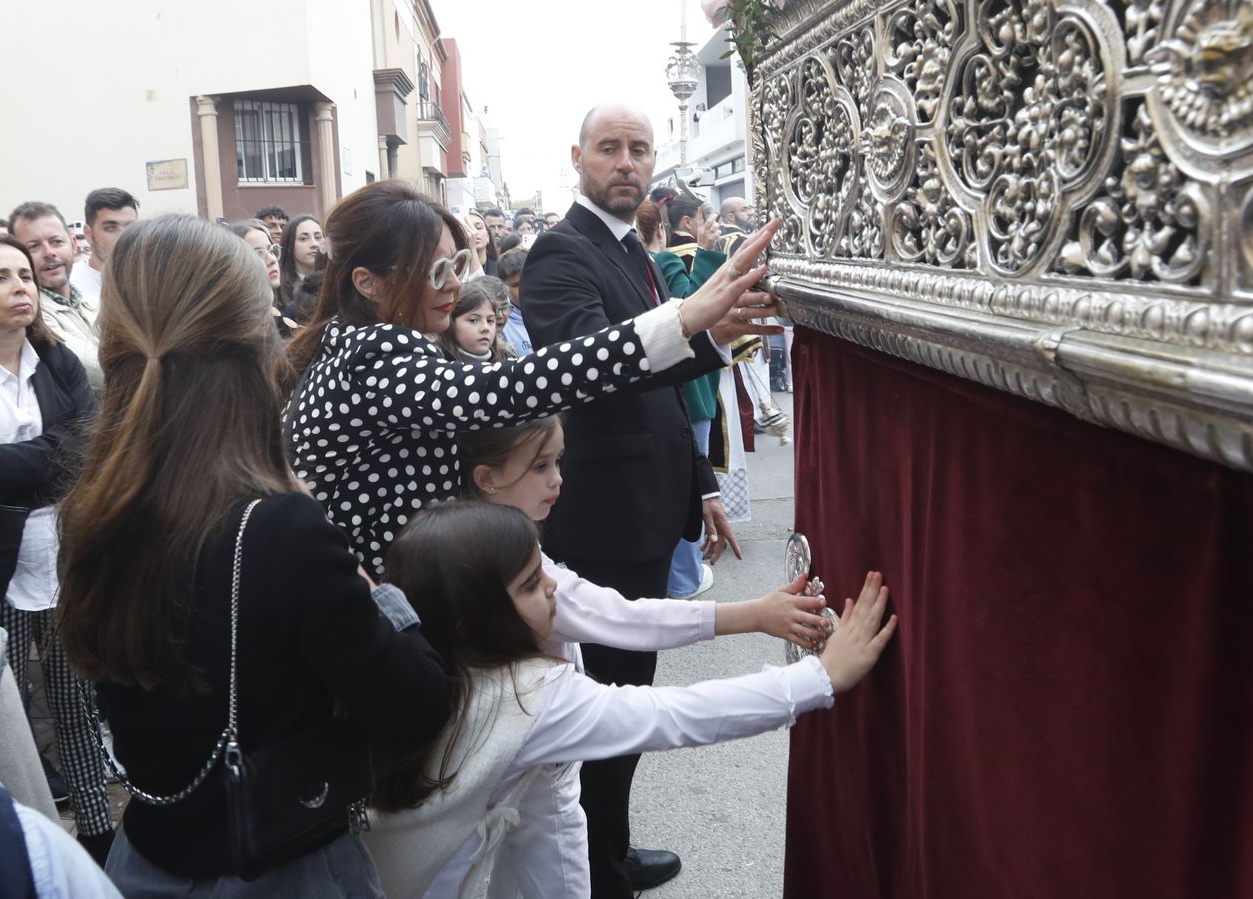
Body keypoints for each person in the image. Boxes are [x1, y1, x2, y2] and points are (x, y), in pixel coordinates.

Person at [56, 214, 450, 893]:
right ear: (254, 340)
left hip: (146, 858)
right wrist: (377, 591)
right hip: (283, 865)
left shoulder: (92, 507)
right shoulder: (280, 528)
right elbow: (414, 706)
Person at [363, 498, 894, 899]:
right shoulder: (528, 699)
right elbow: (676, 715)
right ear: (475, 620)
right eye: (531, 583)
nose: (553, 587)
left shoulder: (427, 656)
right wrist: (820, 678)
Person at [520, 101, 783, 897]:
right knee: (609, 703)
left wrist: (701, 482)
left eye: (639, 149)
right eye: (610, 148)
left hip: (654, 499)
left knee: (631, 691)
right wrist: (699, 323)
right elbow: (597, 367)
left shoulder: (632, 248)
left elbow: (662, 380)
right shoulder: (559, 254)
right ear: (578, 156)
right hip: (601, 513)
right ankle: (598, 868)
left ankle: (614, 848)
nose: (626, 162)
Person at [283, 179, 776, 578]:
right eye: (436, 273)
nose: (456, 284)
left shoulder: (358, 343)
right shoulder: (373, 353)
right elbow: (514, 386)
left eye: (457, 264)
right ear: (368, 282)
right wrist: (681, 320)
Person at [0, 235, 115, 862]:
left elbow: (85, 451)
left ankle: (101, 835)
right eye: (1, 277)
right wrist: (35, 456)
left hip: (62, 553)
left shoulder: (59, 362)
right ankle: (21, 842)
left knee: (75, 699)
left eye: (25, 274)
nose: (22, 286)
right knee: (11, 714)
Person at [0, 538, 123, 898]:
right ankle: (23, 842)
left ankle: (96, 830)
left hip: (60, 574)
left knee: (77, 712)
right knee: (10, 726)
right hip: (2, 583)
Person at [637, 197, 721, 599]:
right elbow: (700, 309)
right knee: (690, 483)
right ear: (662, 230)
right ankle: (684, 578)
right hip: (686, 384)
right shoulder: (666, 261)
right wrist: (706, 252)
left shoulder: (645, 263)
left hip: (665, 387)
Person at [8, 202, 101, 389]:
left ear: (73, 245)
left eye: (56, 242)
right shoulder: (30, 317)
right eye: (33, 247)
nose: (49, 253)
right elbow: (102, 372)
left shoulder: (91, 302)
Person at [227, 218, 298, 337]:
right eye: (258, 253)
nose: (272, 259)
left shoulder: (287, 326)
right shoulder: (230, 329)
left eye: (271, 250)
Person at [70, 187, 139, 305]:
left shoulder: (150, 279)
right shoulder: (70, 283)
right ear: (88, 234)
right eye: (110, 228)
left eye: (130, 227)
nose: (122, 236)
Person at [437, 277, 512, 363]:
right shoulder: (436, 362)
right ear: (452, 322)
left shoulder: (507, 361)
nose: (485, 328)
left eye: (490, 321)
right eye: (473, 320)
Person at [278, 213, 324, 312]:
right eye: (303, 239)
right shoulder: (280, 288)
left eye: (318, 237)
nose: (314, 244)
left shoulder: (335, 281)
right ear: (289, 246)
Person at [496, 247, 532, 357]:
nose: (525, 289)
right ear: (504, 287)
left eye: (529, 281)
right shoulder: (500, 321)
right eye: (516, 285)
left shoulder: (553, 309)